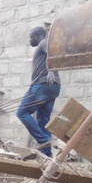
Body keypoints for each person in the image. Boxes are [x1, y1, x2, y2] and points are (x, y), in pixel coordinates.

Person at [16, 26, 61, 157]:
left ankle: (43, 141)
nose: (29, 41)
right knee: (43, 121)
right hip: (53, 88)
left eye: (30, 37)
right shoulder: (42, 45)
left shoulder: (43, 43)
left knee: (22, 112)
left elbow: (54, 54)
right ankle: (47, 156)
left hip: (42, 85)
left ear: (36, 35)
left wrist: (52, 71)